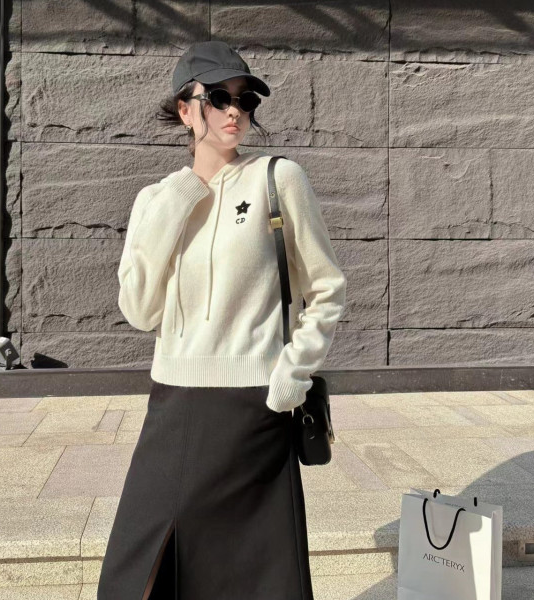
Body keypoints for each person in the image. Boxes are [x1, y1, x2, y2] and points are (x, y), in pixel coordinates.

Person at [97, 40, 347, 600]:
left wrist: (292, 376)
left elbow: (327, 288)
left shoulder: (279, 179)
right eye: (218, 97)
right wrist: (183, 194)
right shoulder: (156, 198)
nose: (234, 110)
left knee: (251, 574)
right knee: (135, 573)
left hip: (255, 407)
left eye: (244, 99)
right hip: (173, 402)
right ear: (185, 109)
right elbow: (139, 310)